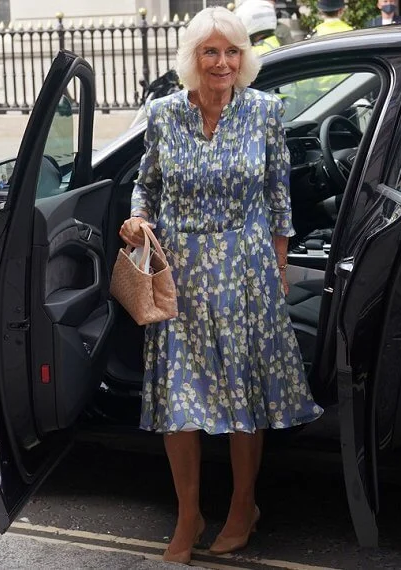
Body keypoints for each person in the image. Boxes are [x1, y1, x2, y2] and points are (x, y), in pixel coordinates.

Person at [118, 6, 323, 565]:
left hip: (246, 272)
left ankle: (243, 504)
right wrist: (137, 219)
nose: (223, 62)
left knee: (242, 396)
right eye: (211, 51)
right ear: (192, 58)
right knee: (179, 400)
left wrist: (277, 277)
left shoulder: (264, 112)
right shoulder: (162, 116)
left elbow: (280, 202)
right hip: (179, 273)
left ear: (244, 58)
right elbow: (147, 186)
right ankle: (189, 513)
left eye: (232, 51)